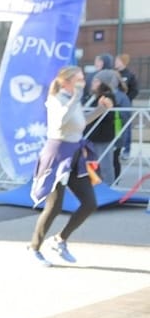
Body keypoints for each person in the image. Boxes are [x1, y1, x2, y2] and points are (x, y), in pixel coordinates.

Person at [28, 66, 113, 265]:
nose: (82, 82)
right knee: (54, 206)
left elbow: (79, 123)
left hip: (75, 154)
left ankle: (60, 240)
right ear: (66, 81)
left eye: (83, 79)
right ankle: (34, 247)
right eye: (79, 79)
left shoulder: (72, 99)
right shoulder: (56, 100)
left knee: (89, 202)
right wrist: (76, 97)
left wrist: (102, 109)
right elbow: (60, 123)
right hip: (58, 155)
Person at [84, 71, 118, 185]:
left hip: (102, 137)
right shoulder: (93, 96)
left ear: (104, 83)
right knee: (92, 165)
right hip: (92, 136)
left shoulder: (108, 96)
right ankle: (96, 187)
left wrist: (100, 107)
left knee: (105, 165)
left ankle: (109, 187)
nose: (93, 83)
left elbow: (107, 115)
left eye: (96, 81)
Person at [115, 54, 139, 159]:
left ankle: (127, 149)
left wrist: (126, 100)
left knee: (126, 127)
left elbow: (135, 90)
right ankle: (116, 148)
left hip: (125, 106)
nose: (115, 62)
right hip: (114, 106)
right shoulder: (114, 74)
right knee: (116, 127)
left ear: (123, 62)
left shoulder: (130, 75)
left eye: (117, 61)